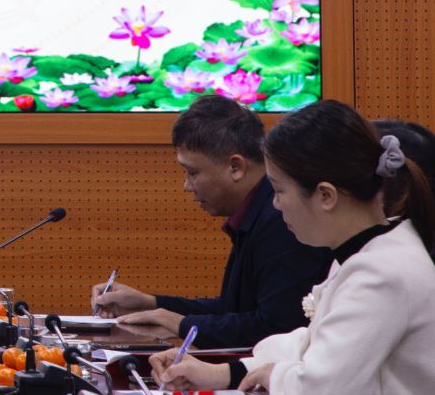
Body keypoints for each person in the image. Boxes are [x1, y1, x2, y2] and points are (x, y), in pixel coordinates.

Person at [153, 101, 435, 395]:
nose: (274, 205)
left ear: (325, 196)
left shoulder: (382, 273)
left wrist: (274, 375)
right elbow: (312, 344)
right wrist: (224, 373)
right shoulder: (367, 254)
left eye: (278, 191)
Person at [92, 94, 330, 347]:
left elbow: (275, 329)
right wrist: (151, 304)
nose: (186, 186)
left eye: (192, 172)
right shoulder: (257, 212)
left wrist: (180, 324)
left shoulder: (282, 220)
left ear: (235, 167)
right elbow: (233, 310)